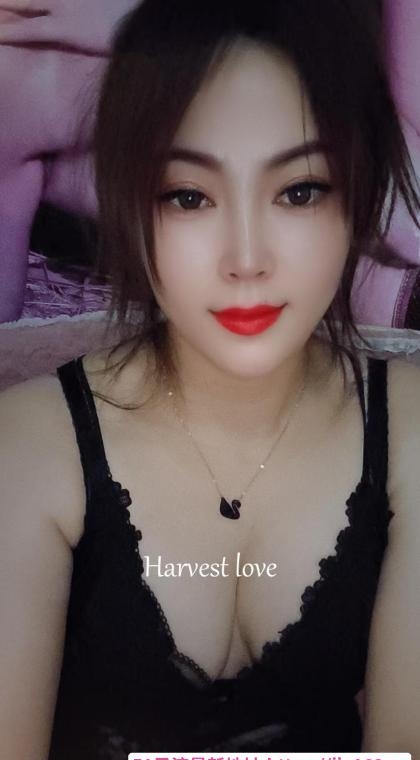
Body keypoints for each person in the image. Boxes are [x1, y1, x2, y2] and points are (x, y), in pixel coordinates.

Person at [1, 0, 420, 756]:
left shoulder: (411, 433)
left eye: (299, 190)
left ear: (356, 193)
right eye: (188, 196)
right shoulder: (31, 444)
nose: (246, 259)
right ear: (130, 204)